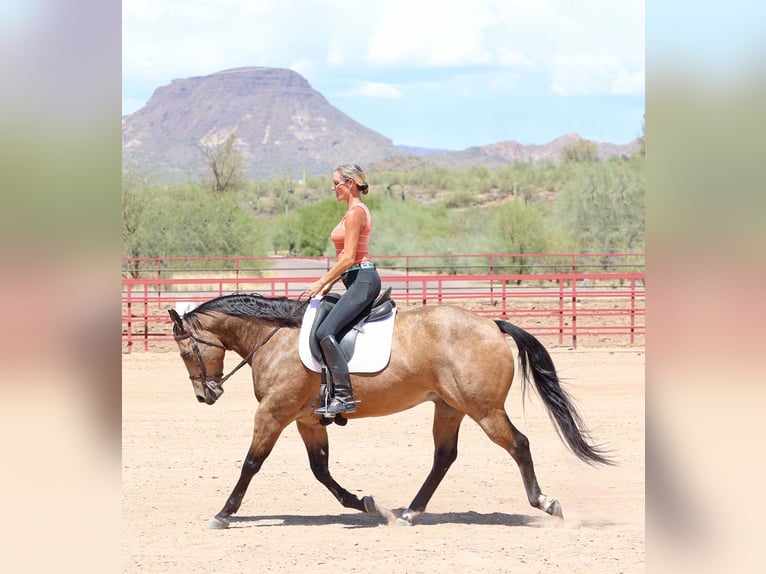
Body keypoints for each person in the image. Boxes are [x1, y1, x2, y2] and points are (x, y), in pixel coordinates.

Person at [306, 164, 381, 416]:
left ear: (350, 183)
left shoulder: (355, 213)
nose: (332, 187)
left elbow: (349, 258)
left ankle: (345, 397)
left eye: (336, 183)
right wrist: (327, 285)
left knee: (326, 331)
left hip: (362, 280)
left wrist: (320, 282)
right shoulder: (351, 211)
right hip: (355, 279)